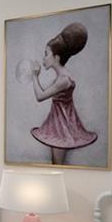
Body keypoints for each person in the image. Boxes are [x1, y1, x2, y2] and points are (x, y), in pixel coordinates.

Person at [30, 22, 97, 164]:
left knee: (57, 166)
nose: (43, 58)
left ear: (57, 58)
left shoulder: (63, 80)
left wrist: (35, 76)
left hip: (62, 127)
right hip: (59, 124)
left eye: (46, 54)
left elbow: (40, 96)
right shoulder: (62, 77)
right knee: (56, 165)